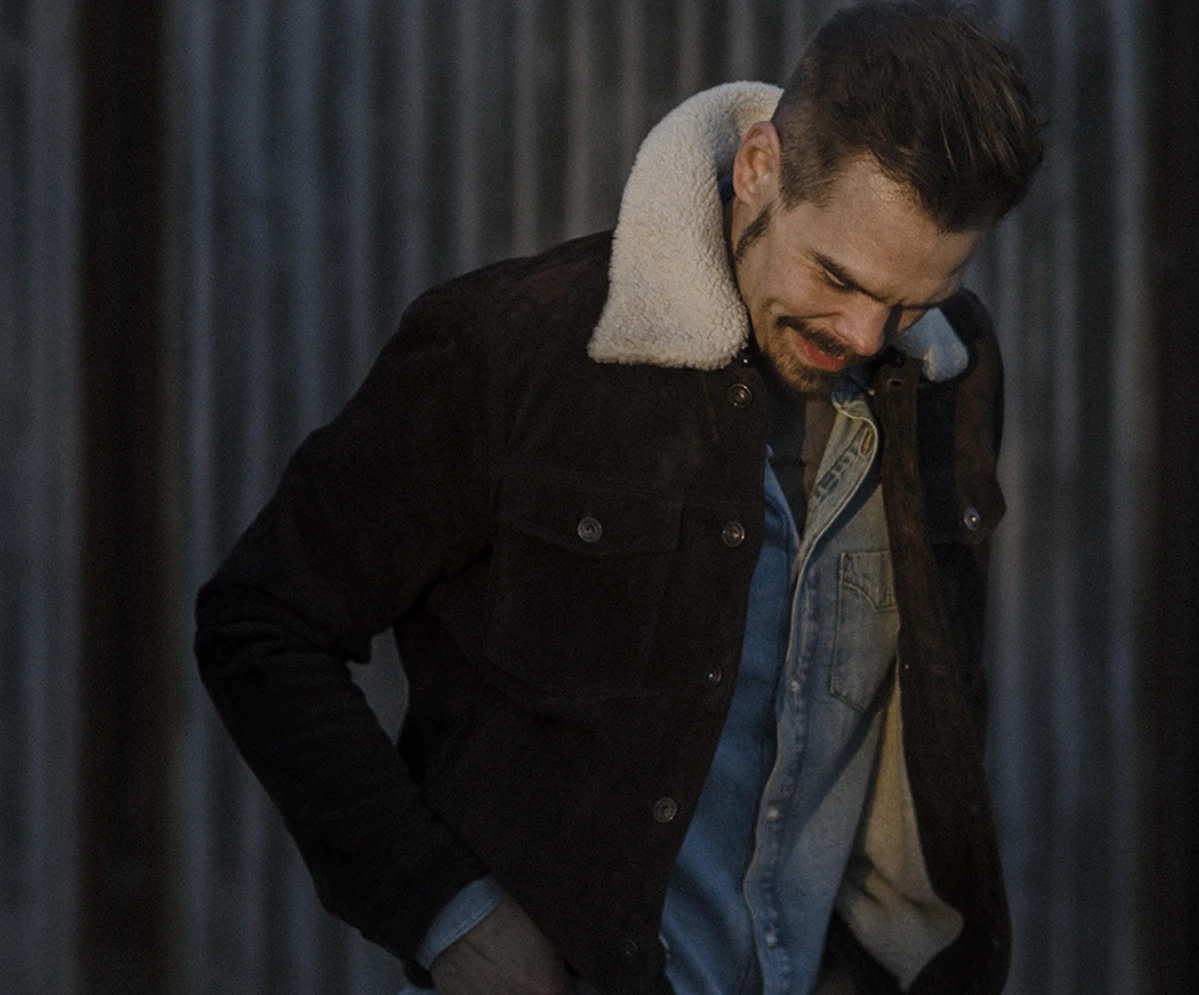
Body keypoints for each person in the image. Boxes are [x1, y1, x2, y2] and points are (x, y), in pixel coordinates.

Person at [192, 4, 1043, 994]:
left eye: (910, 302)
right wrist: (450, 915)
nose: (864, 333)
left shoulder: (951, 373)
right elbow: (260, 621)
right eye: (834, 276)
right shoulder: (510, 349)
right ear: (760, 164)